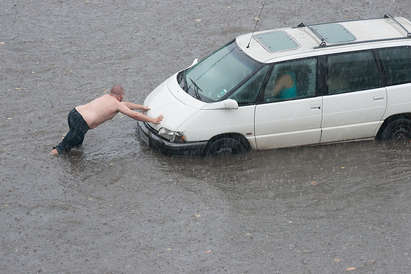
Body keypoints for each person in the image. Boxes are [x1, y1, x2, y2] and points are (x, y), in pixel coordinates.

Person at [50, 85, 163, 155]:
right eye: (122, 95)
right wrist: (153, 120)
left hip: (74, 113)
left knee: (76, 143)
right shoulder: (116, 104)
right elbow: (134, 115)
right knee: (62, 149)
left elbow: (126, 105)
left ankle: (69, 146)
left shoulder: (106, 97)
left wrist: (142, 107)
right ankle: (49, 159)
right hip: (82, 122)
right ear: (120, 96)